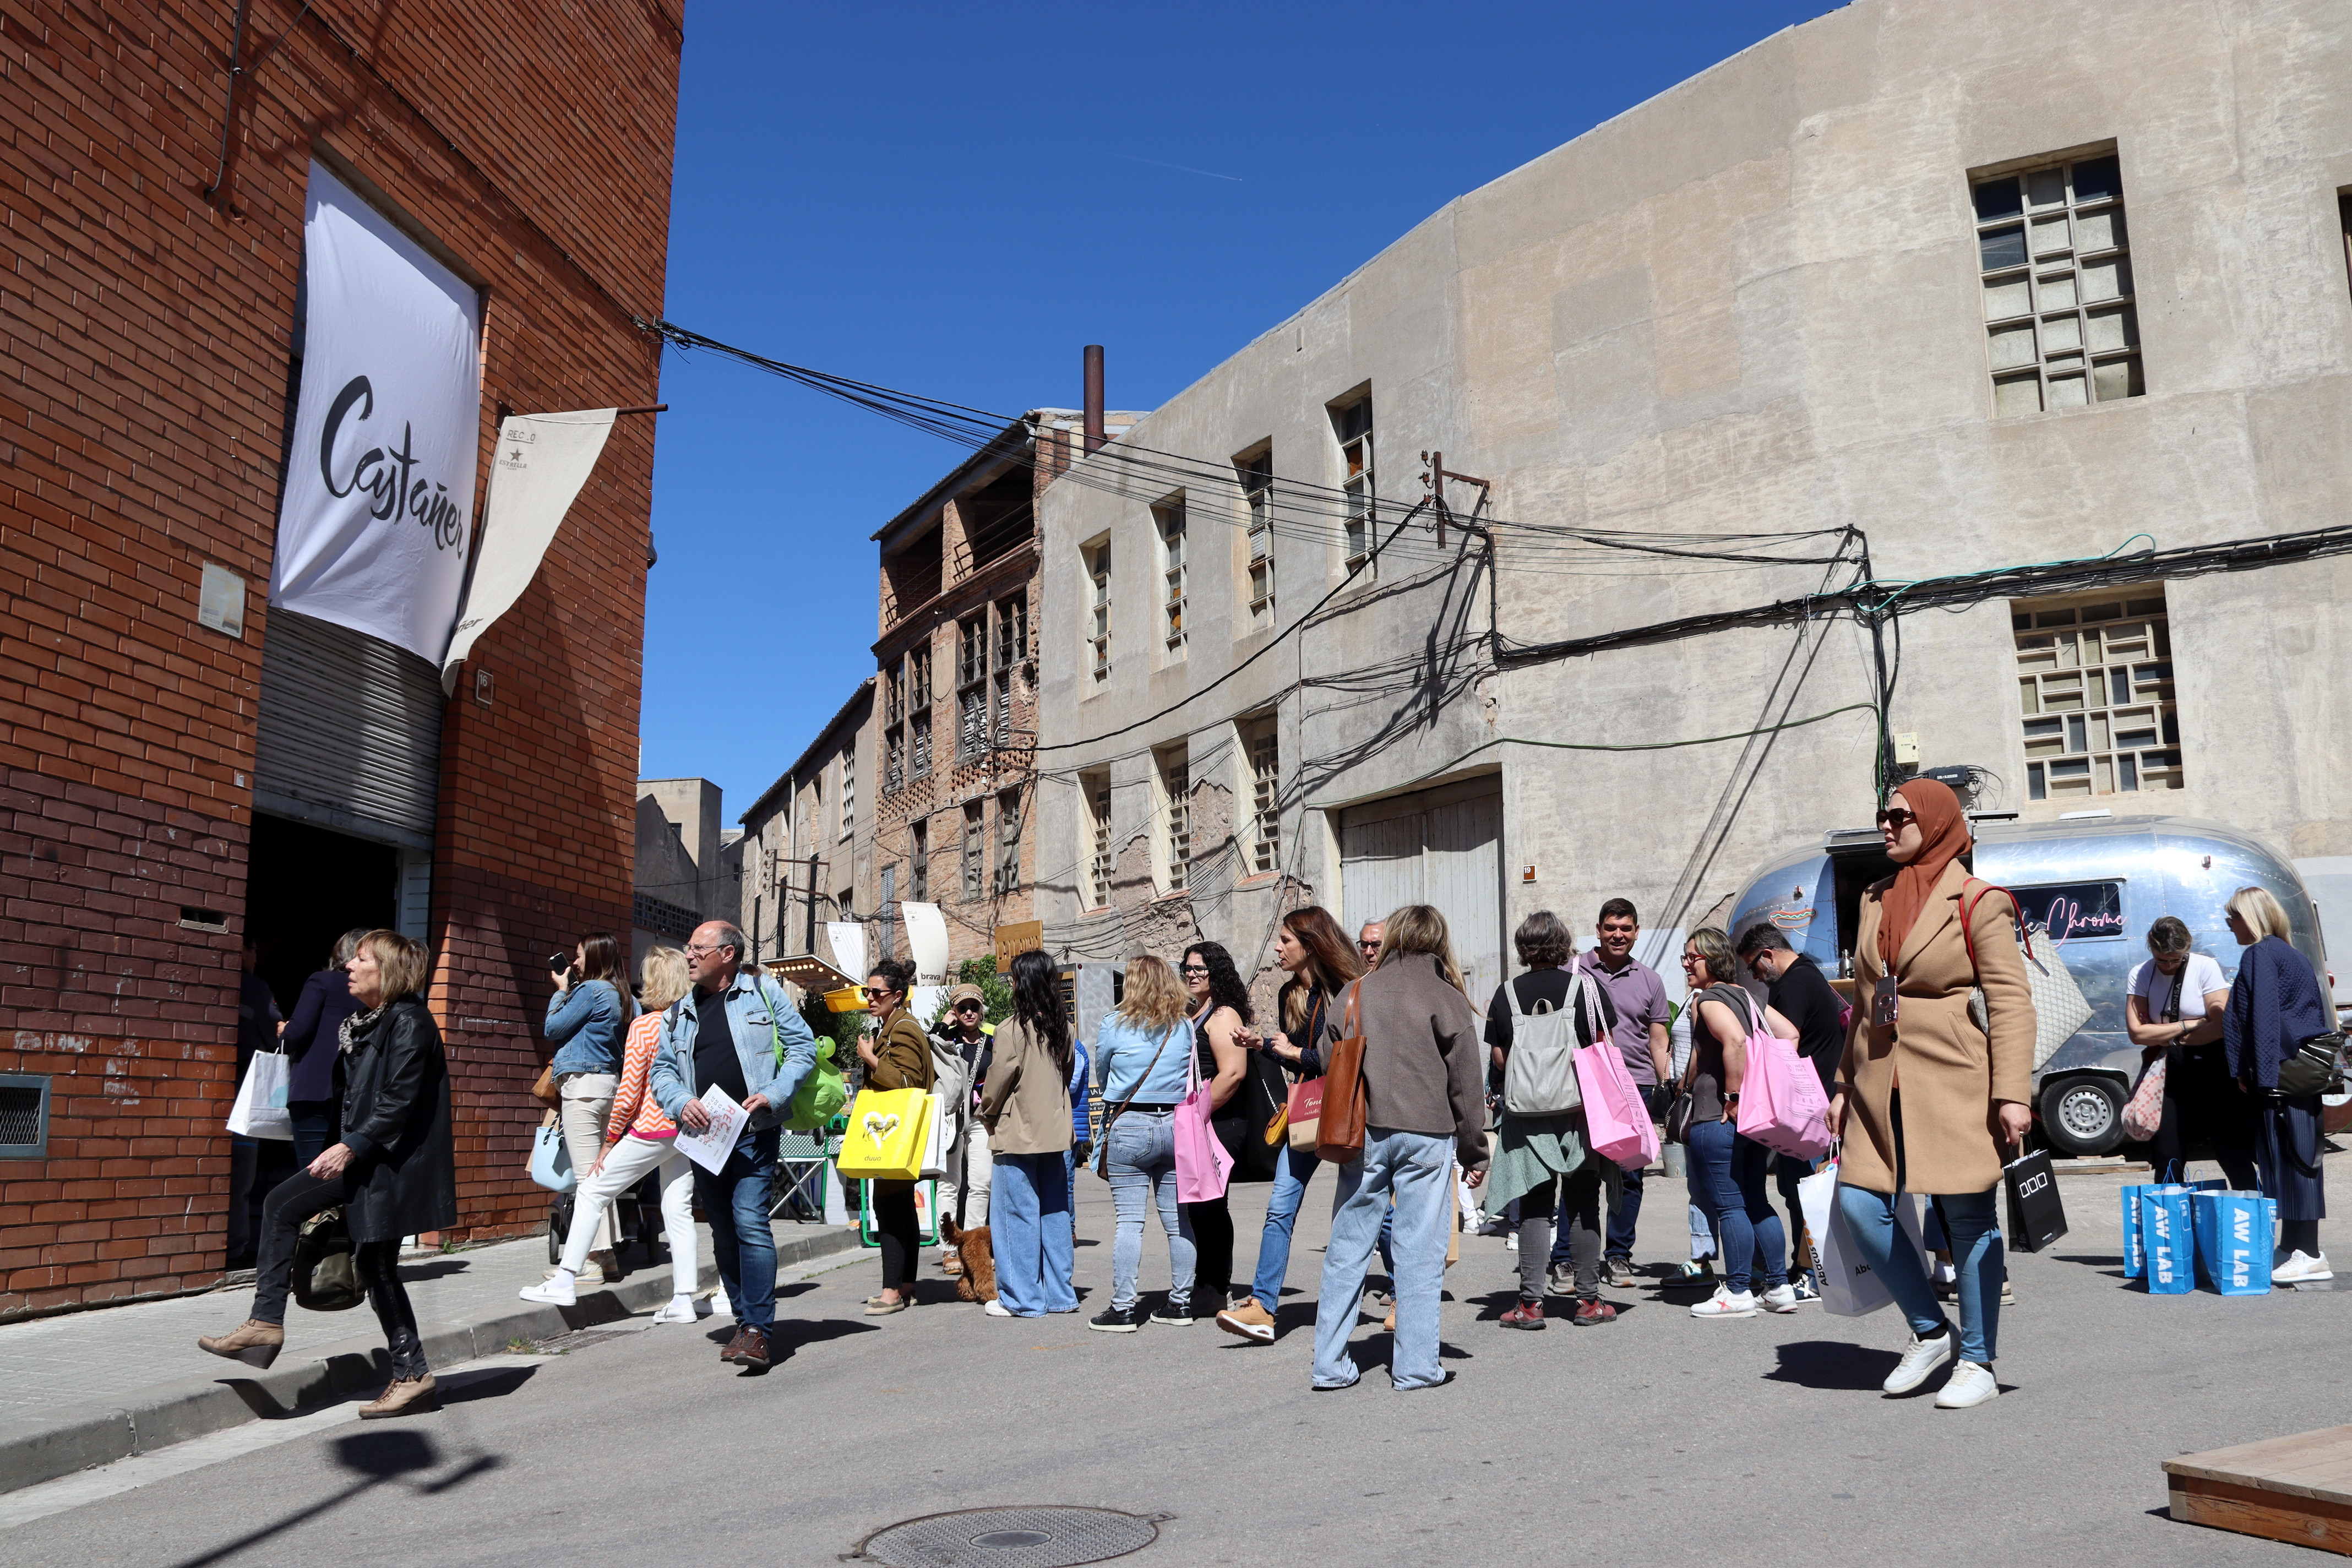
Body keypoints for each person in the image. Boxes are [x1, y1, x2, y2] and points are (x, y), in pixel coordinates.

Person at [1827, 777, 2034, 1411]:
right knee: (1860, 1203)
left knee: (1966, 1219)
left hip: (1955, 1078)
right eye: (1883, 816)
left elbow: (2010, 1001)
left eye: (1899, 816)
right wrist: (1841, 1082)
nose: (1886, 826)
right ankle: (1929, 1329)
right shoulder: (1874, 898)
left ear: (1937, 822)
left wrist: (2012, 1093)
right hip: (1876, 1076)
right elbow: (1864, 1002)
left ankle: (1978, 1358)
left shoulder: (1980, 900)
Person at [199, 930, 456, 1419]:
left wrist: (349, 1147)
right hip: (372, 1160)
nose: (350, 968)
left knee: (298, 1215)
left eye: (362, 960)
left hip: (389, 1165)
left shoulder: (410, 1022)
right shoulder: (367, 1022)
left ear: (389, 971)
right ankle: (407, 1372)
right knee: (372, 1264)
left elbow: (397, 1102)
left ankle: (272, 1324)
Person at [1311, 905, 1489, 1392]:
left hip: (1364, 1133)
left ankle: (1329, 1364)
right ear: (1437, 941)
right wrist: (1474, 1149)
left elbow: (1329, 1058)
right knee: (1419, 1252)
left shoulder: (1356, 990)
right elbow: (1467, 1083)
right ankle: (1415, 1366)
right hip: (1427, 1134)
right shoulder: (1445, 996)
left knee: (1348, 1247)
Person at [650, 921, 817, 1370]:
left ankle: (759, 1329)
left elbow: (804, 1047)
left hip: (754, 1131)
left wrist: (774, 1093)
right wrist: (681, 1101)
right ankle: (745, 1323)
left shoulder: (761, 994)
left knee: (750, 1223)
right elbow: (661, 1073)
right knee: (723, 1232)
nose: (688, 955)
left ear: (727, 954)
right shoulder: (678, 1013)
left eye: (698, 948)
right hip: (706, 1138)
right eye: (688, 948)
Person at [522, 946, 701, 1319]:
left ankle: (567, 1277)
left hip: (652, 1128)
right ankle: (684, 1298)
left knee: (590, 1191)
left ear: (653, 980)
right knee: (678, 1211)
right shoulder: (693, 1021)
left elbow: (630, 1090)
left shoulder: (646, 1025)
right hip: (687, 1130)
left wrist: (610, 1141)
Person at [1219, 906, 1362, 1344]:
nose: (1277, 948)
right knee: (1281, 1204)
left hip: (1349, 1109)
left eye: (1285, 941)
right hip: (1307, 1112)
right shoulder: (1289, 996)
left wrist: (1293, 1053)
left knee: (1370, 1204)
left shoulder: (1349, 992)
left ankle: (1400, 1296)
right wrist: (1263, 1044)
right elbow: (1297, 1056)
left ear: (1311, 945)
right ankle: (1263, 1306)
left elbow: (1342, 1058)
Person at [1484, 910, 1620, 1330]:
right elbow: (1604, 1045)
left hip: (1527, 1120)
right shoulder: (1587, 988)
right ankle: (1588, 1301)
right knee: (1582, 1204)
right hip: (1579, 1114)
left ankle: (1529, 1306)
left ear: (1524, 947)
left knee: (1535, 1208)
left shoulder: (1505, 993)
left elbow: (1499, 1058)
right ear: (1563, 944)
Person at [1678, 929, 1796, 1319]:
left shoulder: (1709, 1000)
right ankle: (1779, 1286)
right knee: (1757, 1200)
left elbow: (1735, 1042)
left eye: (1692, 957)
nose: (1685, 963)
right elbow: (1790, 1035)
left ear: (1711, 959)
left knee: (1729, 1206)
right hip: (1756, 1118)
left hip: (1720, 1115)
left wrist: (1733, 1096)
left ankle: (1740, 1290)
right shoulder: (1751, 995)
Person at [2222, 886, 2334, 1282]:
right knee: (2296, 1160)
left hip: (2281, 1077)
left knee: (2293, 1160)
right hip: (2294, 1074)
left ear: (2251, 917)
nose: (2229, 924)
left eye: (2232, 916)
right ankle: (2293, 1246)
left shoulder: (2262, 954)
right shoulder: (2288, 953)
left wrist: (2265, 1080)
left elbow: (2264, 1017)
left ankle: (2310, 1253)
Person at [1736, 922, 1847, 1299]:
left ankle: (1811, 1272)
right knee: (1807, 1189)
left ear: (1768, 954)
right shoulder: (1811, 974)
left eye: (1754, 966)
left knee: (1803, 1191)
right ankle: (1812, 1268)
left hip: (1806, 1109)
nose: (1754, 975)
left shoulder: (1792, 986)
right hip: (1821, 1101)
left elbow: (1785, 1044)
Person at [1088, 954, 1196, 1332]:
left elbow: (1103, 1074)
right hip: (1174, 1125)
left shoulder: (1113, 1025)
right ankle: (1181, 1303)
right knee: (1177, 1221)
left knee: (1130, 1223)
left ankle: (1123, 1309)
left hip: (1130, 1123)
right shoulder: (1184, 1026)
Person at [1577, 900, 1673, 1288]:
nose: (1619, 934)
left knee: (1630, 1177)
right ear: (1598, 930)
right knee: (1580, 1174)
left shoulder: (1650, 979)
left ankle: (1618, 1256)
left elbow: (1658, 1037)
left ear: (1636, 932)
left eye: (1627, 928)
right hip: (1587, 1086)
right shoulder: (1575, 971)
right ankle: (1569, 1258)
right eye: (1611, 927)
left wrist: (1665, 1087)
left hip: (1637, 1087)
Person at [979, 950, 1079, 1317]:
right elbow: (1066, 1075)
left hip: (1017, 1132)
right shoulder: (1063, 1028)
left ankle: (1022, 1298)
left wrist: (985, 1112)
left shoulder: (1011, 1029)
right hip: (1055, 1133)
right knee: (1054, 1214)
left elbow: (996, 1085)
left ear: (1023, 983)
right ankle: (1060, 1295)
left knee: (1015, 1217)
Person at [2127, 914, 2255, 1190]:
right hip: (2168, 1070)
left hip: (2211, 1065)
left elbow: (2221, 1024)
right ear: (2151, 949)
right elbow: (2137, 1033)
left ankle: (2251, 1209)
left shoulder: (2204, 966)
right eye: (2163, 960)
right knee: (2168, 1153)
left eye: (2176, 959)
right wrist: (2189, 1025)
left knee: (2229, 1146)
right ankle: (2169, 1220)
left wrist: (2168, 1034)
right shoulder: (2141, 973)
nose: (2170, 966)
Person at [543, 933, 635, 1283]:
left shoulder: (590, 990)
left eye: (580, 956)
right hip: (609, 1088)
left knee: (587, 1181)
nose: (575, 963)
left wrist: (561, 989)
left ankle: (589, 1263)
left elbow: (553, 1026)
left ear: (594, 958)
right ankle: (607, 1255)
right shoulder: (622, 995)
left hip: (582, 1088)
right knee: (600, 1177)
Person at [851, 957, 934, 1317]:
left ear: (897, 995)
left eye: (876, 993)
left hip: (894, 1134)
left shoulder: (902, 1028)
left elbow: (909, 1083)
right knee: (900, 1209)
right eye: (866, 992)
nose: (869, 998)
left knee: (888, 1209)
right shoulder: (894, 1023)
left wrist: (871, 1060)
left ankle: (891, 1292)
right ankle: (905, 1286)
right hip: (893, 1134)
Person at [1178, 941, 1254, 1319]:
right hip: (1198, 1119)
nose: (1192, 975)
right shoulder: (1195, 1012)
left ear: (1217, 973)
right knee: (1196, 1206)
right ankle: (1202, 1279)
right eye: (1187, 969)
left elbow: (1234, 1073)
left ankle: (1215, 1285)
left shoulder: (1223, 1015)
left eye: (1200, 970)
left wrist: (1199, 1114)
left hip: (1220, 1120)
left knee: (1211, 1204)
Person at [281, 929, 368, 1169]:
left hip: (315, 1090)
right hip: (359, 1092)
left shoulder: (323, 981)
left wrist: (282, 1033)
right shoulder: (377, 994)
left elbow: (296, 1033)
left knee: (313, 1173)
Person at [225, 935, 284, 1267]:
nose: (256, 957)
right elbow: (276, 1034)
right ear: (244, 950)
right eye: (255, 950)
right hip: (242, 1093)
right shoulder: (255, 988)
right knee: (240, 1174)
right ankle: (235, 1250)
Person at [932, 982, 994, 1277]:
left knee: (981, 1183)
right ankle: (948, 1248)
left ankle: (973, 1247)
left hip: (981, 1120)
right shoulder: (946, 1040)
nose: (969, 1012)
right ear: (954, 1012)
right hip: (951, 1119)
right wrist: (943, 1024)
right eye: (962, 1008)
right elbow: (928, 1048)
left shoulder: (992, 1042)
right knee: (950, 1184)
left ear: (982, 1011)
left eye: (974, 1007)